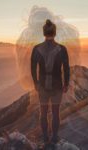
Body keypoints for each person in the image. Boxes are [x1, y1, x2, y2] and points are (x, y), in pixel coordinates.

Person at [31, 19, 70, 147]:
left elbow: (32, 68)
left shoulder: (36, 49)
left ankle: (45, 138)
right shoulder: (62, 49)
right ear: (55, 33)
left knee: (43, 113)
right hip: (57, 86)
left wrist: (36, 83)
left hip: (42, 85)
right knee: (55, 113)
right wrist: (66, 83)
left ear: (44, 33)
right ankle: (54, 139)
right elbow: (66, 68)